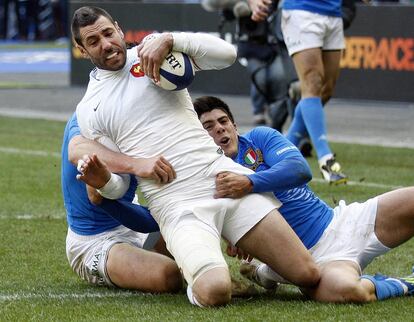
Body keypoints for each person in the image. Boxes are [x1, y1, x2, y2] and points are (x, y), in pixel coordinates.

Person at [72, 6, 320, 307]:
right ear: (82, 50)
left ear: (119, 29)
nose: (106, 44)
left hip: (223, 178)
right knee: (215, 291)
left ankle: (261, 270)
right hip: (177, 205)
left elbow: (227, 55)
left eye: (108, 33)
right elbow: (121, 188)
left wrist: (172, 39)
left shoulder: (154, 51)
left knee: (308, 275)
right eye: (94, 41)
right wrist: (104, 184)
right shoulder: (89, 109)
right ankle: (197, 281)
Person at [193, 95, 414, 303]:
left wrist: (250, 183)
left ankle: (266, 273)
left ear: (234, 126)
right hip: (314, 260)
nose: (219, 127)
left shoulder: (260, 138)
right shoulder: (205, 180)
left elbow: (299, 169)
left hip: (343, 221)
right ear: (196, 137)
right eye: (208, 126)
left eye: (223, 121)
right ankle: (407, 282)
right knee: (349, 292)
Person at [62, 112, 183, 292]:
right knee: (169, 275)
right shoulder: (87, 115)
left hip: (133, 221)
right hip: (95, 241)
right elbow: (76, 149)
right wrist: (136, 164)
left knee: (196, 241)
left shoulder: (140, 119)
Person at [247, 0, 349, 184]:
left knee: (325, 90)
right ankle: (326, 159)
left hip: (334, 13)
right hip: (301, 12)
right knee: (312, 84)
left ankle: (283, 151)